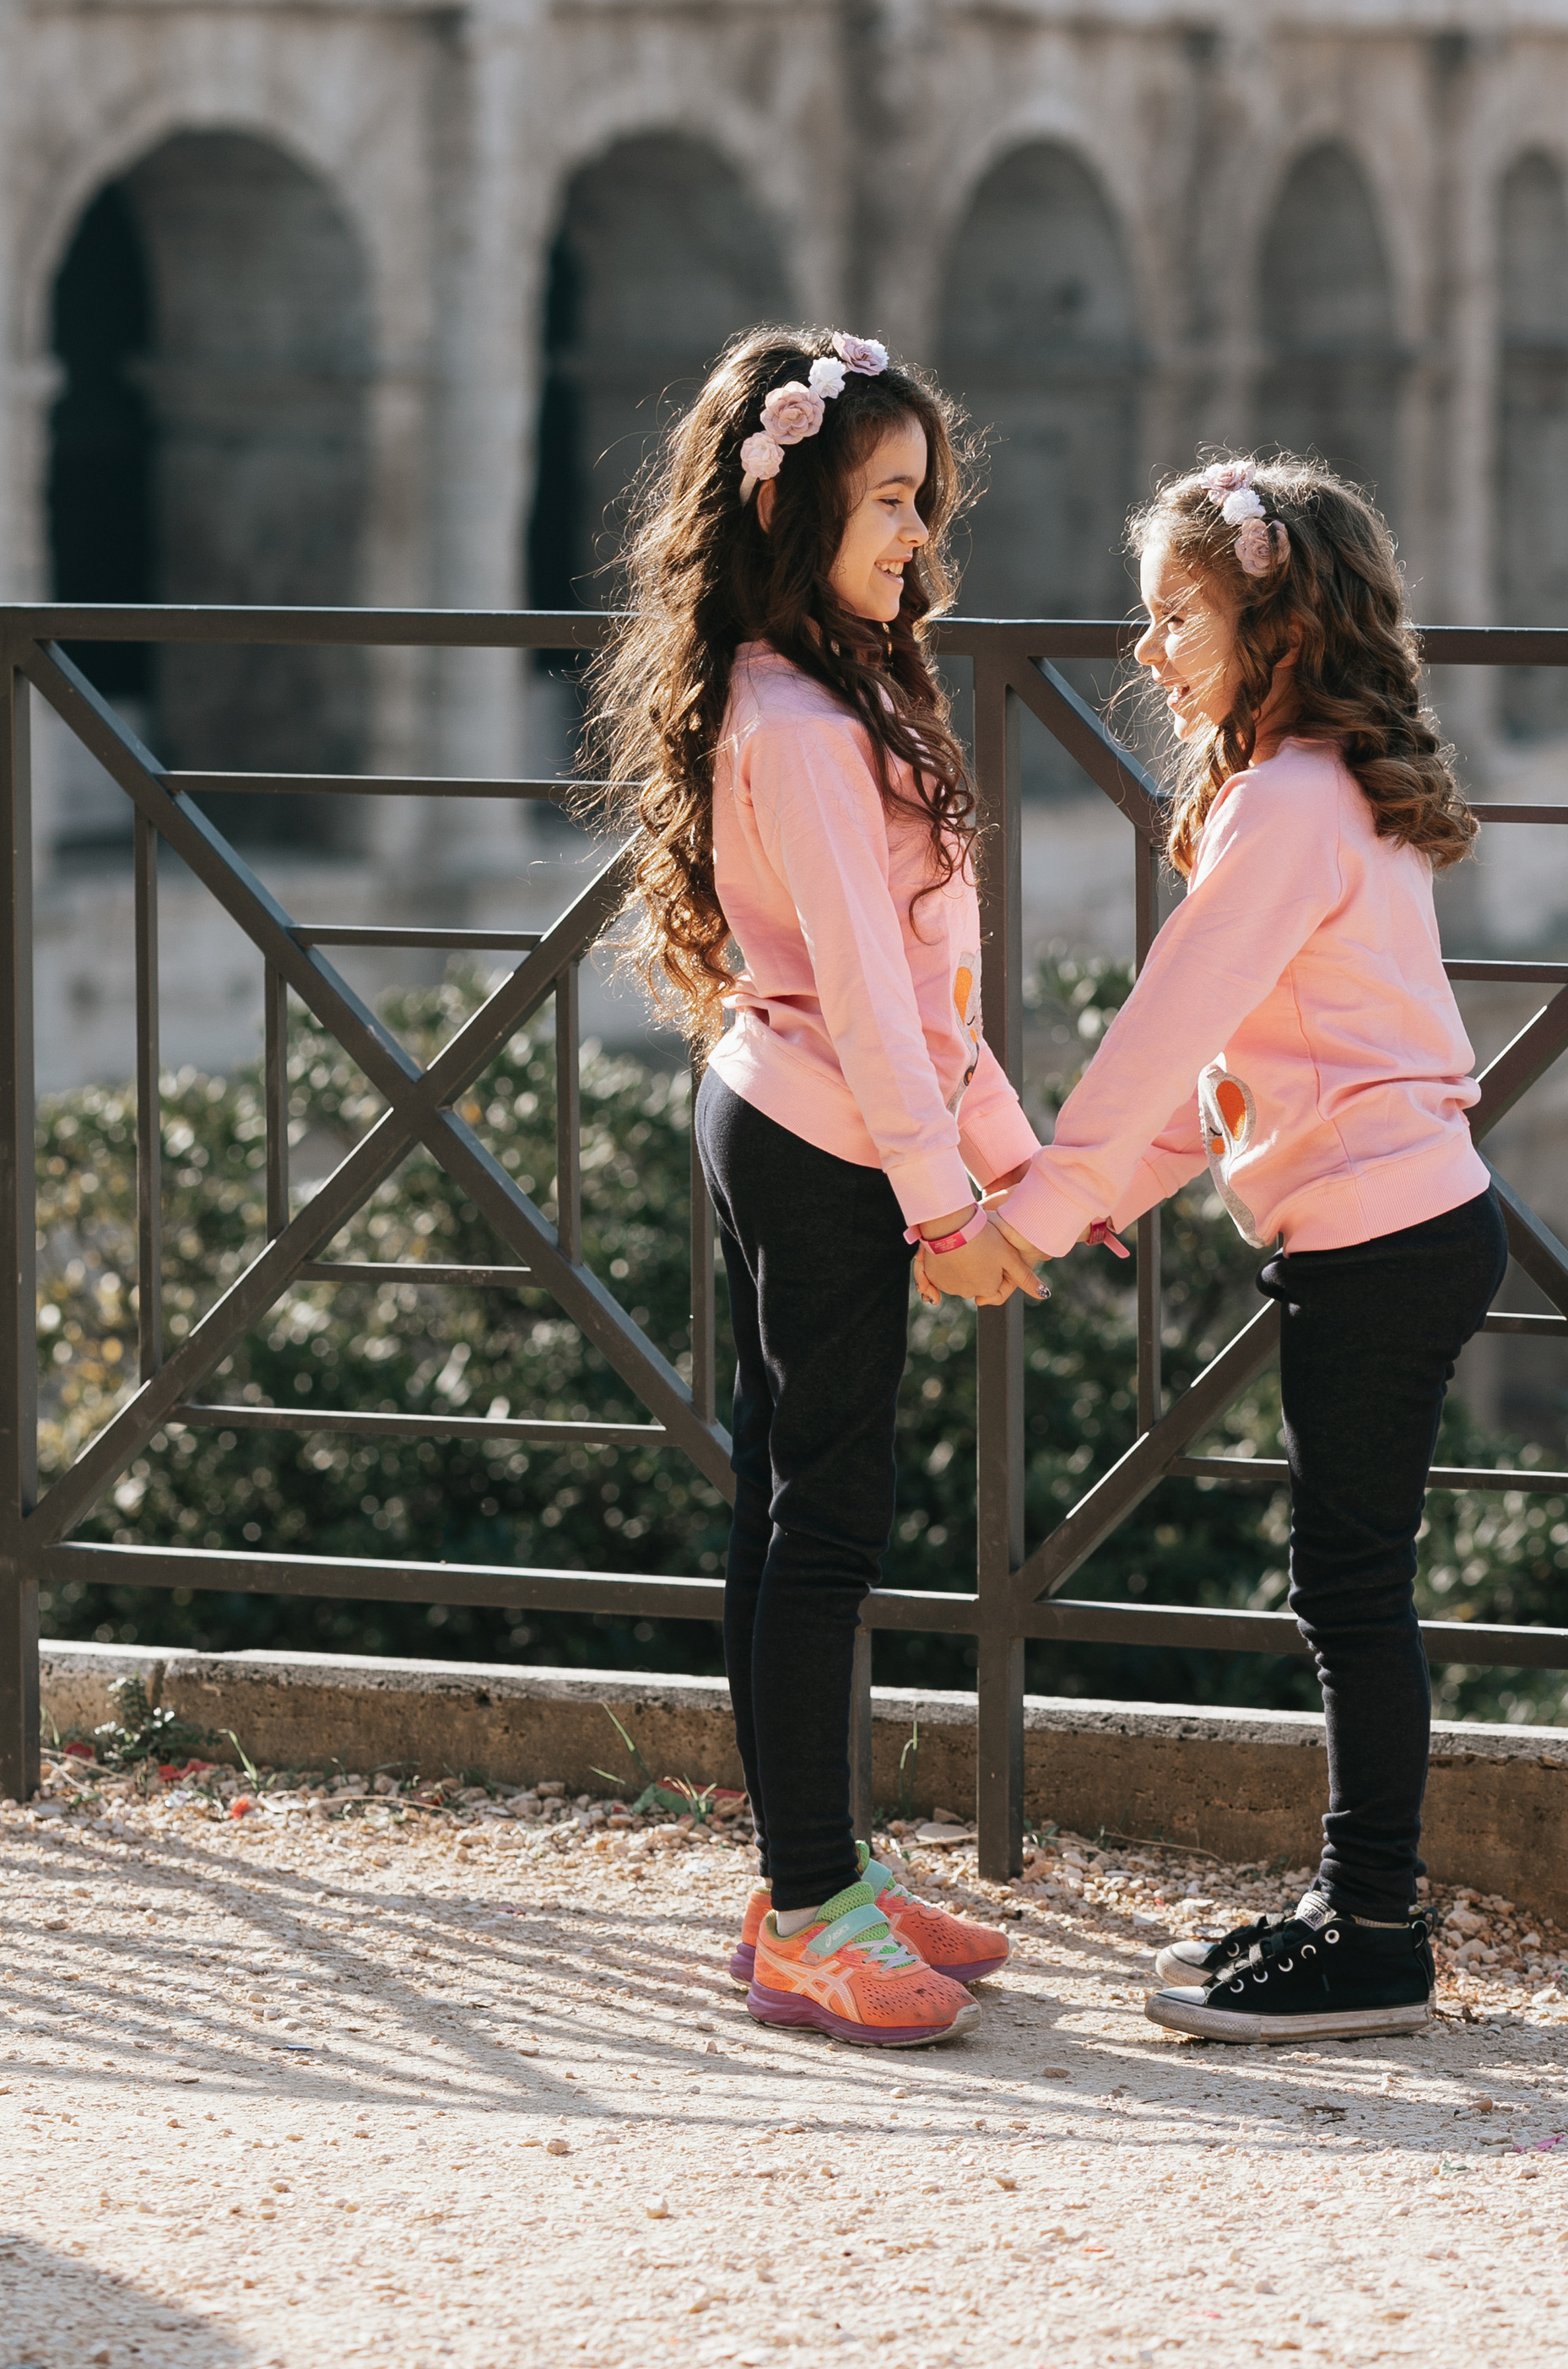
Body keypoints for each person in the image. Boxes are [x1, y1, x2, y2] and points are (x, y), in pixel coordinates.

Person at [987, 455, 1506, 2042]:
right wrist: (1053, 1213)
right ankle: (1355, 1909)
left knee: (1351, 1596)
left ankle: (1373, 1937)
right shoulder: (1323, 783)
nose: (1146, 653)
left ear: (1268, 616)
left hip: (1382, 1236)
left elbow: (1161, 1037)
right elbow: (1214, 1091)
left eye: (1176, 617)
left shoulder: (1284, 806)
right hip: (1393, 1225)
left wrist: (1037, 1209)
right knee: (1349, 1592)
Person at [595, 327, 1041, 2049]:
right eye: (886, 501)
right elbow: (868, 987)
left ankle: (814, 1869)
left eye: (924, 501)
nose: (916, 532)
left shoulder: (831, 678)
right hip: (821, 1137)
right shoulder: (794, 715)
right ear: (790, 509)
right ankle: (806, 1909)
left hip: (812, 1114)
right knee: (821, 1523)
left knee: (793, 1511)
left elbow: (926, 982)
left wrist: (1010, 1154)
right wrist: (950, 1202)